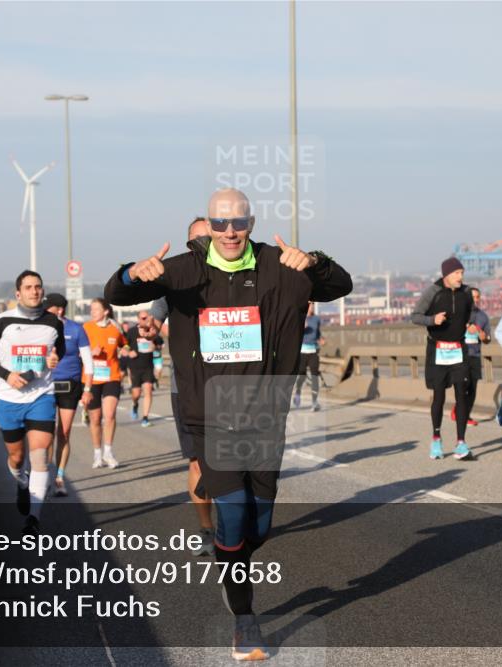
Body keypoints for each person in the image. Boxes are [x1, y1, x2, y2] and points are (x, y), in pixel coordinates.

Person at [105, 188, 352, 662]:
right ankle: (244, 619)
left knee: (257, 528)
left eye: (238, 222)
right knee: (234, 513)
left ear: (252, 223)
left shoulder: (281, 266)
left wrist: (315, 261)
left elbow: (340, 285)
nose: (229, 232)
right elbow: (115, 294)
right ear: (209, 227)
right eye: (219, 224)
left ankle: (231, 556)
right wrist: (131, 272)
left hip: (265, 414)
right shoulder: (182, 271)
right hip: (209, 414)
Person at [0, 270, 63, 535]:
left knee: (40, 456)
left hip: (41, 396)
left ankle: (33, 519)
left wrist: (53, 361)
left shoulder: (54, 323)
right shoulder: (3, 321)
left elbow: (57, 354)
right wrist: (6, 375)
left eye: (38, 287)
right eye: (29, 287)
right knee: (16, 457)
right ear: (18, 293)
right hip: (9, 399)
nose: (35, 291)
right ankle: (22, 484)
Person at [147, 216, 216, 557]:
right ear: (187, 243)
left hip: (236, 384)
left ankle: (240, 522)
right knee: (198, 463)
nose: (203, 245)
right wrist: (151, 328)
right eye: (196, 240)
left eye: (209, 237)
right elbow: (154, 321)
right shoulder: (173, 281)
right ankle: (207, 529)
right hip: (187, 385)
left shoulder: (240, 276)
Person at [410, 257, 477, 461]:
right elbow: (415, 316)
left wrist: (470, 324)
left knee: (461, 394)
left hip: (458, 349)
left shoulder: (466, 293)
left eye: (462, 273)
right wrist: (433, 320)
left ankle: (461, 442)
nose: (460, 277)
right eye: (457, 273)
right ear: (446, 275)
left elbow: (471, 313)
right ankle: (436, 438)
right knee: (439, 396)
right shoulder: (433, 292)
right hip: (437, 350)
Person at [43, 292, 93, 496]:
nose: (46, 310)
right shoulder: (40, 327)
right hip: (44, 386)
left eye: (50, 308)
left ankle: (59, 477)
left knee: (63, 433)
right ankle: (43, 476)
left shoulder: (76, 329)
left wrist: (87, 389)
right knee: (45, 435)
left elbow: (88, 363)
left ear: (60, 310)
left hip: (69, 386)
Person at [82, 298, 129, 469]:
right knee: (96, 418)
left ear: (106, 311)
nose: (92, 312)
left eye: (95, 309)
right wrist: (89, 353)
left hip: (112, 377)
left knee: (109, 416)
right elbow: (76, 352)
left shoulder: (115, 327)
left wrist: (125, 350)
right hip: (91, 378)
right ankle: (97, 454)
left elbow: (126, 344)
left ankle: (108, 452)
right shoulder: (86, 328)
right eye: (91, 309)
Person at [457, 287, 491, 426]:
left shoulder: (483, 316)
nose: (474, 299)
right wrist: (464, 327)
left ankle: (466, 414)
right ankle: (462, 415)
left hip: (475, 356)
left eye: (477, 297)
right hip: (460, 355)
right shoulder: (459, 314)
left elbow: (488, 339)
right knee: (462, 387)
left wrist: (484, 336)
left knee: (472, 388)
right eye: (472, 296)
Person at [126, 310, 163, 427]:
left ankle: (145, 418)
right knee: (136, 393)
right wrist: (129, 352)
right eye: (142, 318)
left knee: (148, 390)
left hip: (148, 366)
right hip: (135, 367)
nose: (145, 320)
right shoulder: (131, 332)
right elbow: (122, 345)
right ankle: (135, 404)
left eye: (146, 317)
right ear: (138, 319)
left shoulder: (153, 330)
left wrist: (155, 347)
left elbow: (160, 345)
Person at [293, 302, 325, 411]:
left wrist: (321, 339)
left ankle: (314, 402)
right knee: (301, 376)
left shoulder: (316, 319)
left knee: (314, 376)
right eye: (309, 305)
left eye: (312, 305)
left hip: (313, 351)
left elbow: (318, 333)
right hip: (302, 352)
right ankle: (297, 394)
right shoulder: (299, 318)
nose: (311, 307)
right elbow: (292, 333)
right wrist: (301, 326)